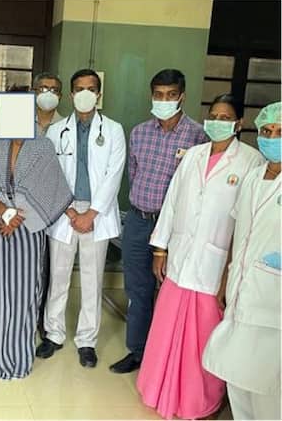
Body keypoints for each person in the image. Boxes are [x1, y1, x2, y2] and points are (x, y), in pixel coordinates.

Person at [136, 94, 264, 419]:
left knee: (202, 336)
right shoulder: (193, 154)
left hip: (214, 265)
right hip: (180, 257)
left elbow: (247, 222)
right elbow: (172, 202)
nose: (218, 122)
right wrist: (160, 248)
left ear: (239, 124)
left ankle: (200, 400)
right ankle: (157, 390)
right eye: (214, 115)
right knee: (166, 329)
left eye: (226, 117)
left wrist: (230, 272)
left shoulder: (250, 162)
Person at [110, 69, 208, 374]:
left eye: (170, 95)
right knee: (137, 290)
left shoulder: (198, 137)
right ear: (151, 96)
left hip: (177, 228)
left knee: (170, 293)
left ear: (182, 97)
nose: (163, 101)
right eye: (158, 95)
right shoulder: (139, 133)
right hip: (139, 221)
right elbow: (134, 175)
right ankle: (138, 351)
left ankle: (164, 358)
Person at [37, 69, 126, 368]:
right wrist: (70, 210)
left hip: (97, 213)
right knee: (58, 277)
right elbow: (49, 174)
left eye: (91, 88)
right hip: (65, 210)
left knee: (92, 279)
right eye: (79, 88)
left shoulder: (113, 130)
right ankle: (53, 334)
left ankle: (87, 341)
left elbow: (114, 174)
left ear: (99, 94)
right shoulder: (56, 130)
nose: (85, 93)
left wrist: (91, 213)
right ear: (71, 94)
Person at [0, 131, 73, 380]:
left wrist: (16, 217)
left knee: (23, 293)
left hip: (29, 225)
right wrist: (5, 211)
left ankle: (16, 355)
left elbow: (51, 189)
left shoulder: (43, 146)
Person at [203, 101, 281, 420]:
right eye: (267, 131)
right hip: (241, 287)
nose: (271, 138)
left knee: (267, 387)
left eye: (279, 132)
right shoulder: (253, 176)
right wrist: (226, 278)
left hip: (273, 299)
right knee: (236, 376)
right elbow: (240, 230)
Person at [32, 72, 64, 338]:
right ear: (34, 92)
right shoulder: (20, 121)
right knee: (26, 264)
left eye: (53, 90)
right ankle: (23, 314)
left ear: (61, 96)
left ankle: (44, 318)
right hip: (22, 204)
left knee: (49, 266)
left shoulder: (65, 126)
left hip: (53, 206)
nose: (48, 93)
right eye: (43, 88)